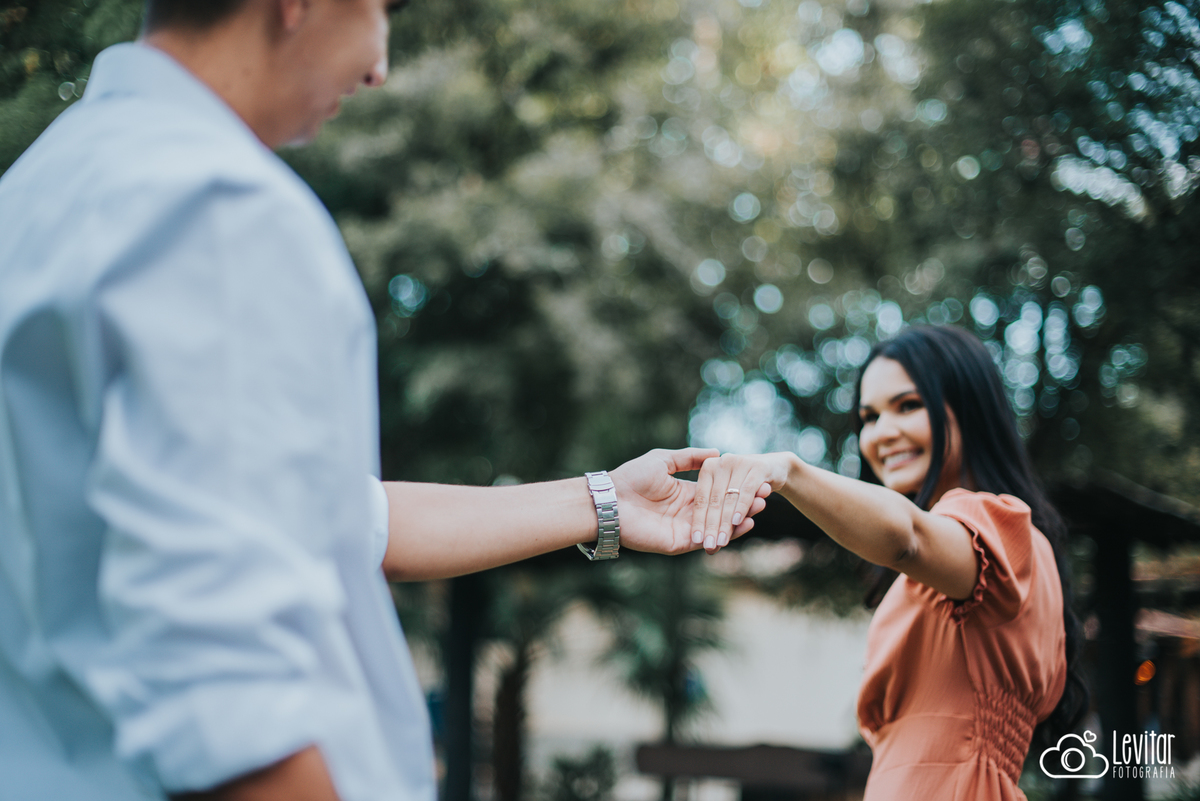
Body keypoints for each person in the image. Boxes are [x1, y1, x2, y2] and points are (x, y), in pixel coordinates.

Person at [0, 2, 766, 800]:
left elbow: (337, 517)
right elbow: (226, 697)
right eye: (380, 10)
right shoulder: (220, 210)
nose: (378, 66)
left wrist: (605, 501)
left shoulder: (33, 197)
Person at [691, 325, 1088, 800]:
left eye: (908, 406)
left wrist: (788, 472)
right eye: (869, 417)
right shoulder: (951, 563)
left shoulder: (996, 528)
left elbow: (908, 538)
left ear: (970, 409)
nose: (883, 433)